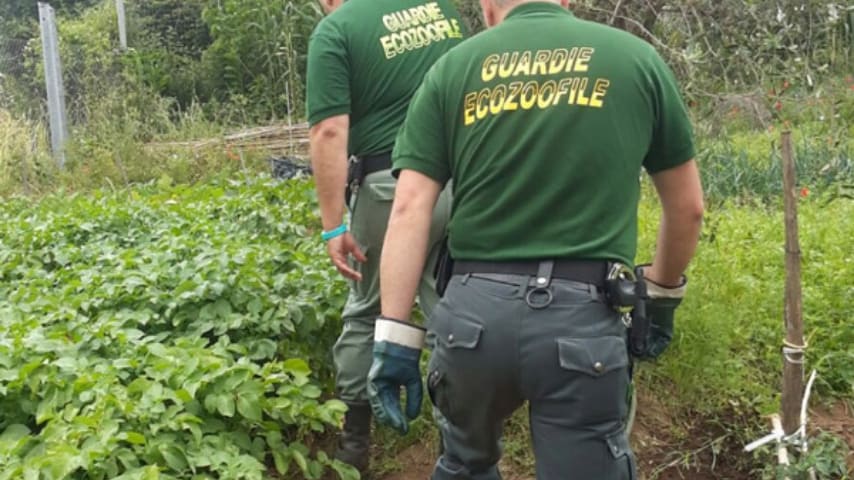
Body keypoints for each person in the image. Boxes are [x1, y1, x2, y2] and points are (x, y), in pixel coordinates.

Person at [365, 0, 705, 478]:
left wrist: (395, 334)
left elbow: (409, 207)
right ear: (565, 1)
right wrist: (661, 296)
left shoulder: (452, 69)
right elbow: (687, 208)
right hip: (581, 325)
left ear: (486, 7)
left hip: (471, 324)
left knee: (464, 465)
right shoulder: (635, 59)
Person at [305, 0, 467, 473]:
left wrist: (334, 224)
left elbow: (329, 131)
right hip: (459, 183)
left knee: (366, 311)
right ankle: (457, 447)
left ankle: (354, 448)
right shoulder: (441, 11)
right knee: (449, 308)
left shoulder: (337, 32)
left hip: (389, 189)